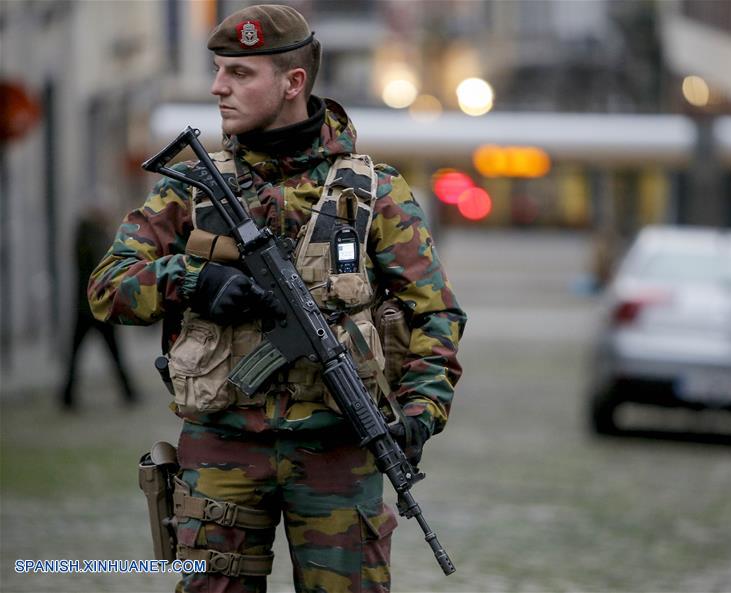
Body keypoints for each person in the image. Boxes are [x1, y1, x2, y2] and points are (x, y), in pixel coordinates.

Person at [88, 5, 465, 593]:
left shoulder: (373, 192)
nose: (218, 87)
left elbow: (435, 313)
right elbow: (108, 288)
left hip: (338, 445)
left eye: (240, 74)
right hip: (222, 445)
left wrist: (420, 413)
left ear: (293, 82)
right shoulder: (190, 188)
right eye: (218, 70)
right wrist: (192, 280)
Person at [61, 205, 137, 409]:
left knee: (93, 354)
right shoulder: (90, 236)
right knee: (108, 352)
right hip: (95, 307)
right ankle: (128, 392)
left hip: (91, 307)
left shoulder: (88, 235)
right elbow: (102, 265)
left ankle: (68, 396)